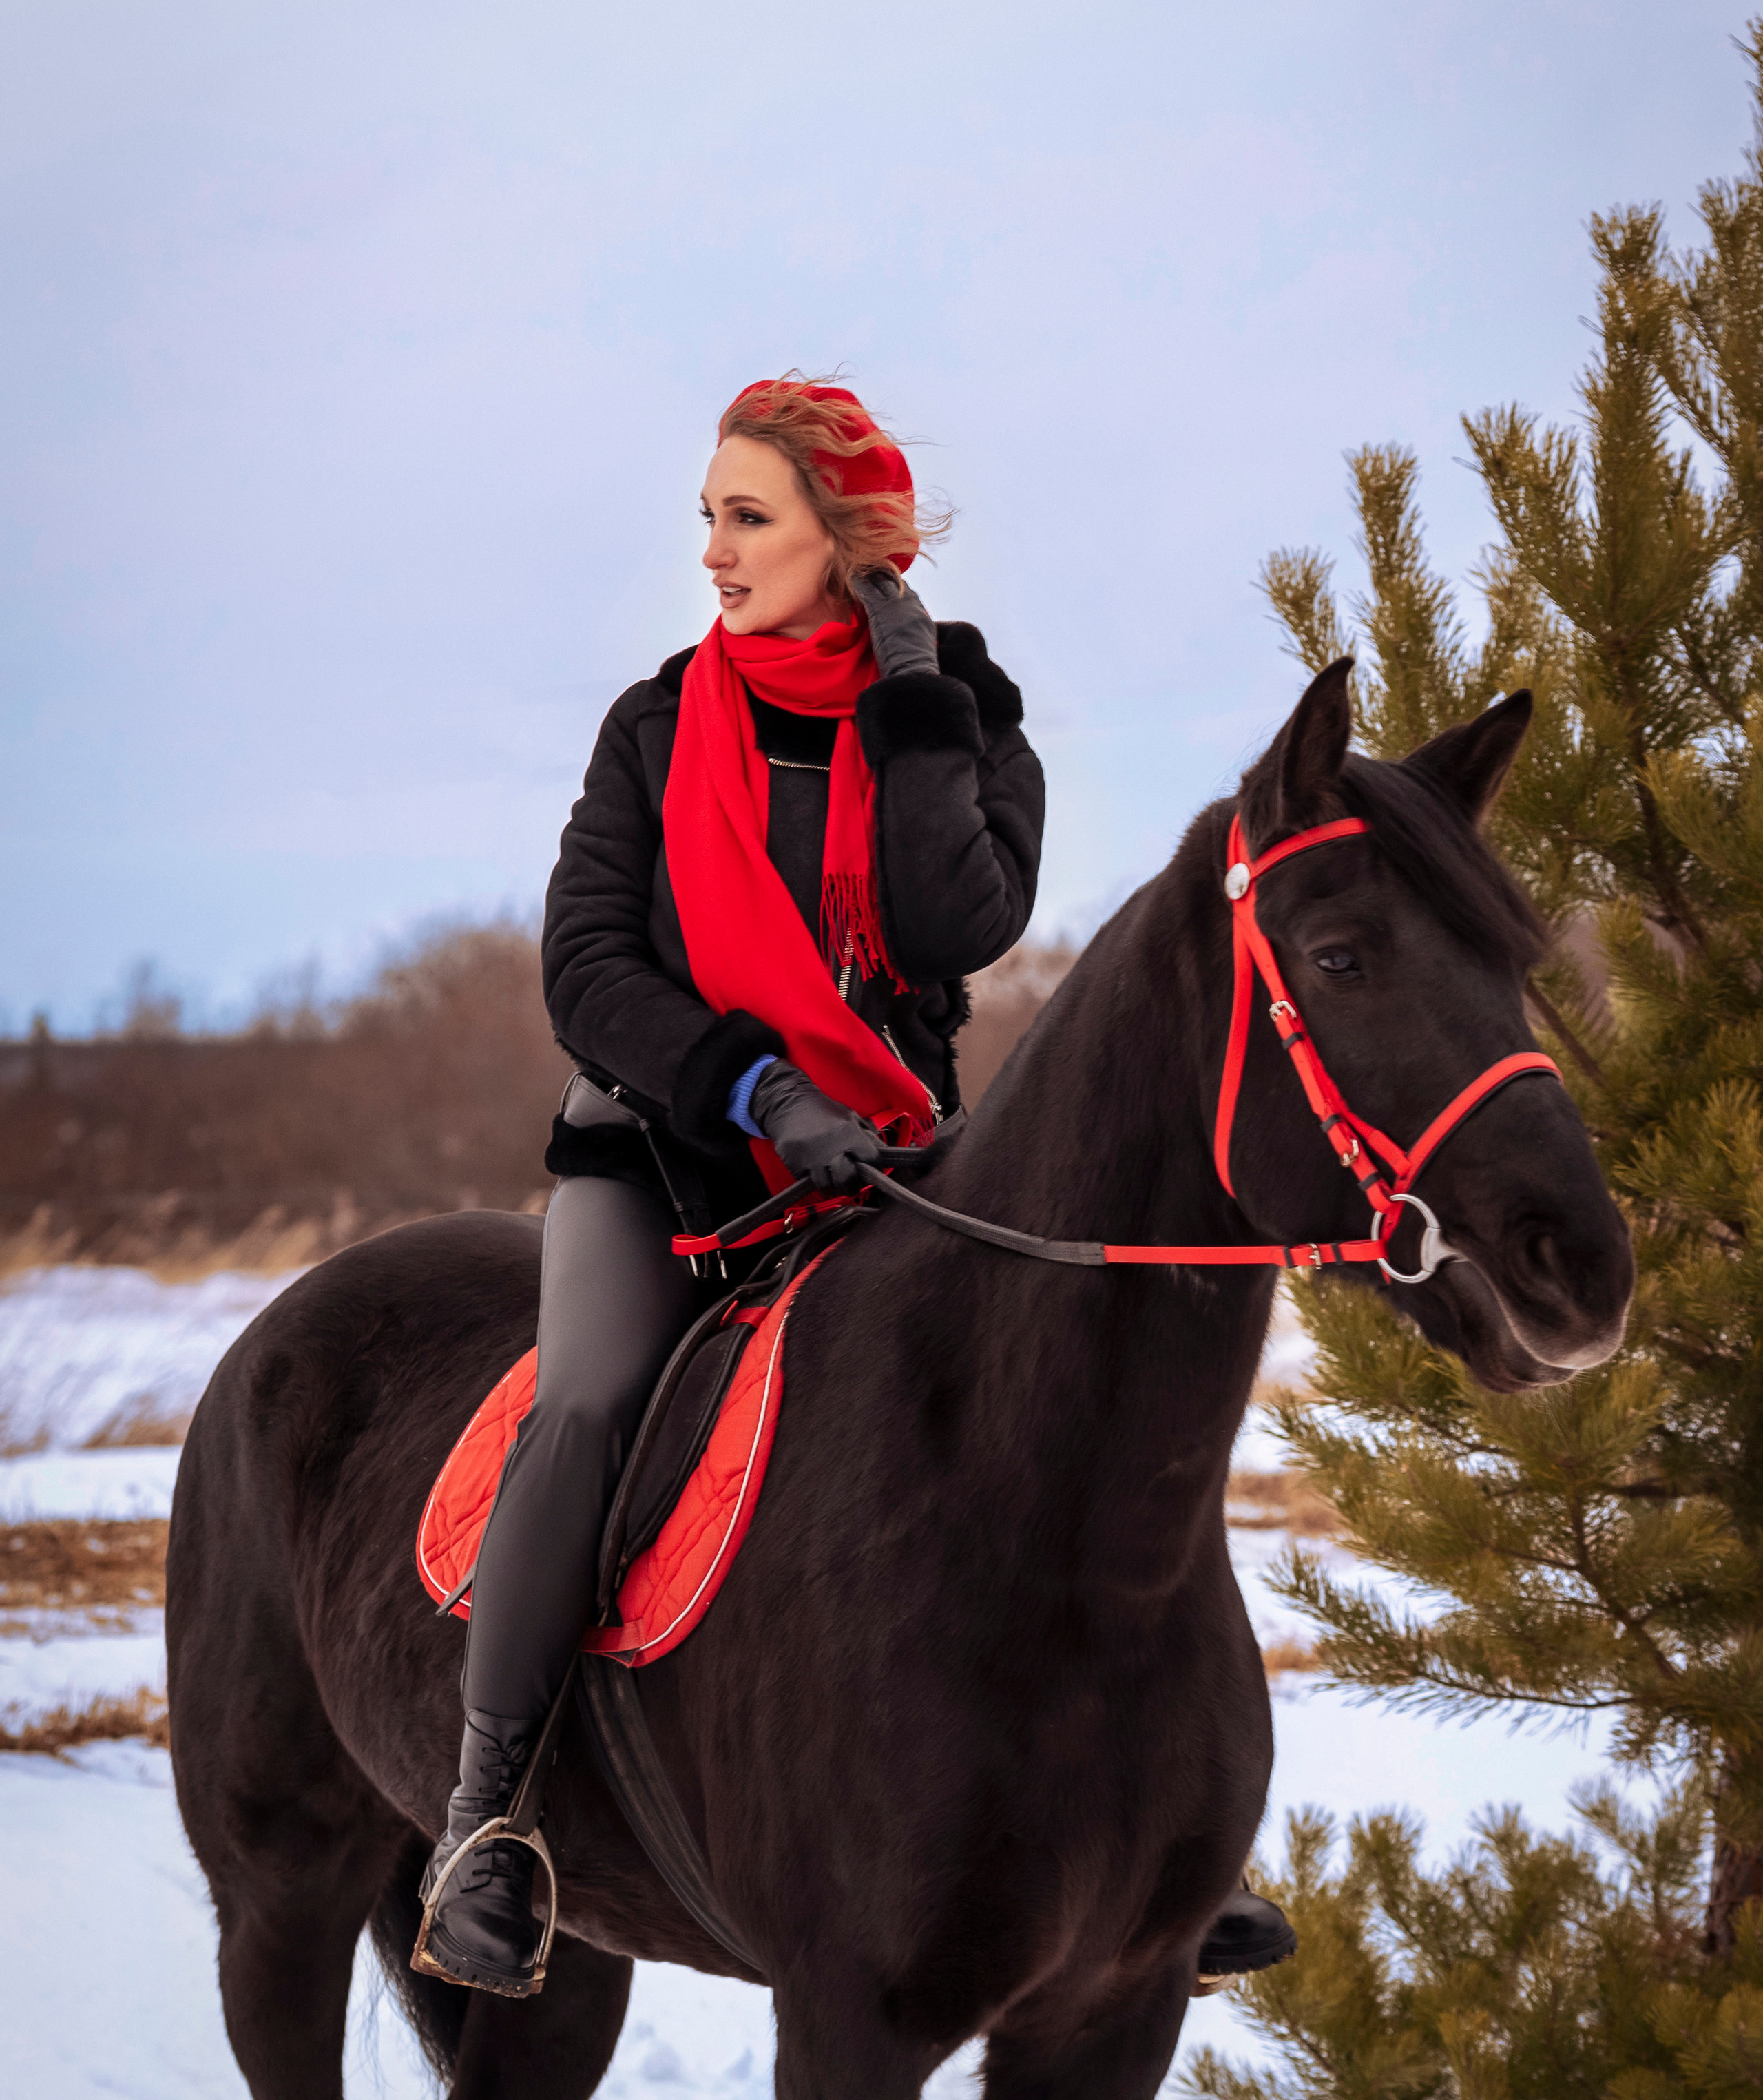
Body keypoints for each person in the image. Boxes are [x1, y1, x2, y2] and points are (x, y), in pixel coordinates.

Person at [419, 375, 1295, 1996]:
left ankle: (1164, 1836)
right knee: (592, 1402)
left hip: (889, 1161)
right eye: (707, 515)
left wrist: (912, 716)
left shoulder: (965, 719)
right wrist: (753, 1086)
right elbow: (587, 970)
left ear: (847, 538)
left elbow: (954, 926)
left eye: (746, 516)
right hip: (666, 1153)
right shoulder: (653, 725)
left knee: (1071, 1413)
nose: (711, 549)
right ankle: (489, 1820)